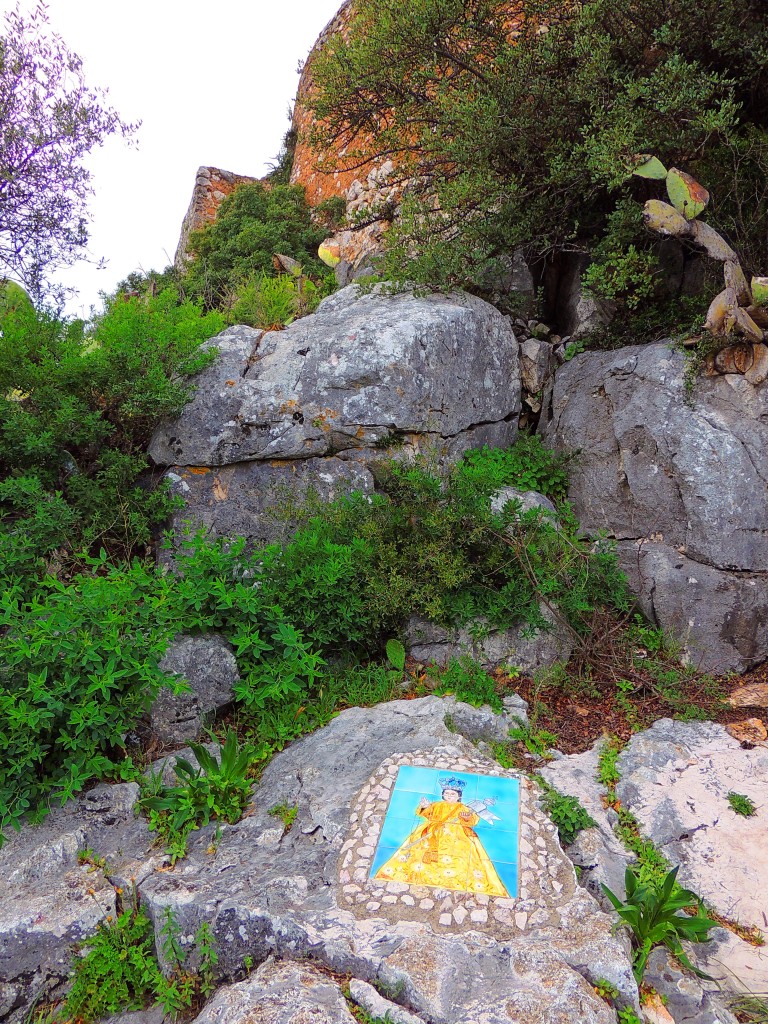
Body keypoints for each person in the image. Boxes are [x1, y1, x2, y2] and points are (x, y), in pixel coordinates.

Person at [373, 776, 509, 896]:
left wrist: (466, 817)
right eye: (447, 794)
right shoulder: (437, 805)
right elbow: (424, 813)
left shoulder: (463, 808)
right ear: (443, 794)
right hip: (433, 832)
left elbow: (472, 821)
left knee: (463, 857)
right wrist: (425, 806)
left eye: (453, 794)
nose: (449, 796)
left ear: (458, 796)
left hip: (458, 835)